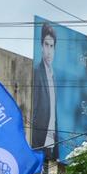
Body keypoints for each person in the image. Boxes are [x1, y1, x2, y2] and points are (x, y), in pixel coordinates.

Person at [31, 22, 59, 158]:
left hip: (51, 143)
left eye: (52, 46)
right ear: (41, 46)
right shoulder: (37, 72)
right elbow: (34, 111)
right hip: (38, 142)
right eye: (46, 45)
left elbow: (54, 113)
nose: (49, 51)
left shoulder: (53, 77)